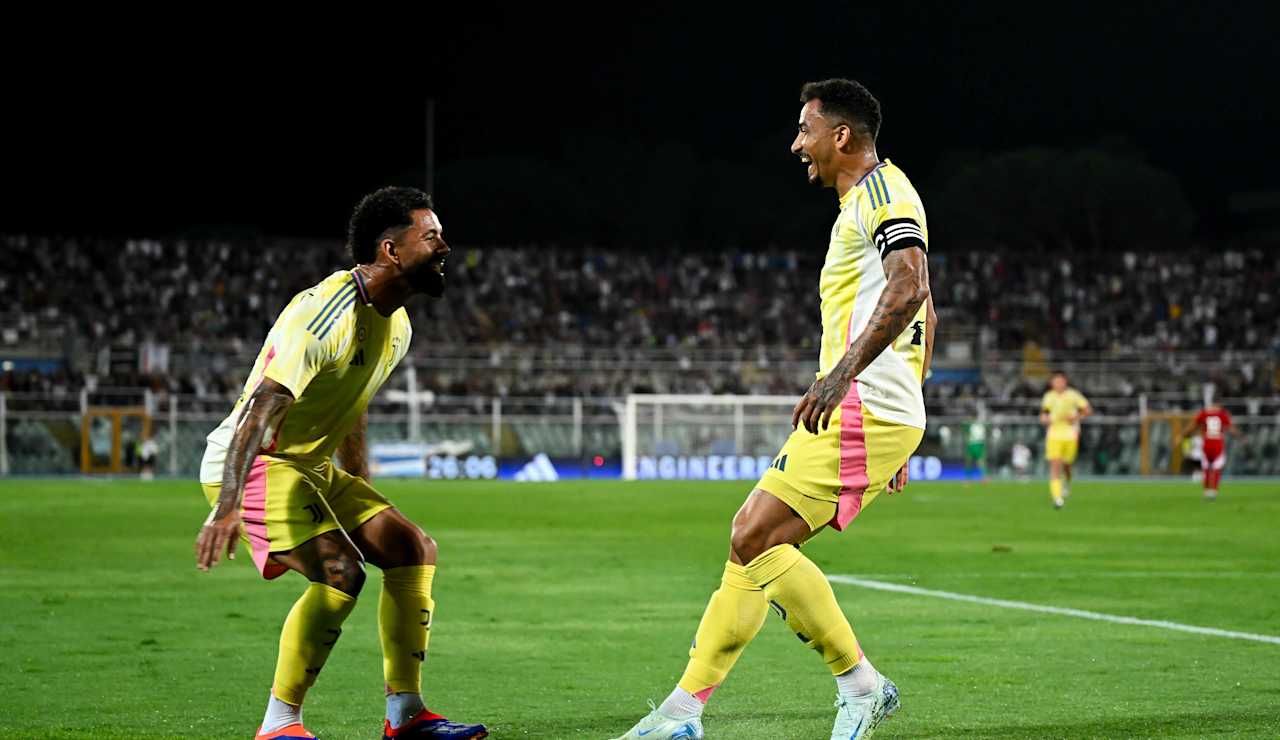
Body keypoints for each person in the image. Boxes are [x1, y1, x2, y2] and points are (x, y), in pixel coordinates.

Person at [614, 78, 934, 740]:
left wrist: (842, 376)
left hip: (863, 405)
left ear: (840, 135)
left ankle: (860, 684)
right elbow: (929, 309)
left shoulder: (883, 193)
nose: (797, 144)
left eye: (805, 130)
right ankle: (683, 712)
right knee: (750, 548)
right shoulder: (867, 201)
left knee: (753, 537)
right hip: (878, 411)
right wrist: (909, 426)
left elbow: (913, 288)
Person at [193, 187, 487, 740]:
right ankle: (279, 725)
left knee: (410, 546)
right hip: (257, 460)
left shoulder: (397, 325)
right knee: (341, 573)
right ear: (391, 250)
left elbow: (351, 405)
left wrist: (362, 491)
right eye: (432, 236)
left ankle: (406, 717)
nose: (445, 246)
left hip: (311, 466)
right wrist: (225, 509)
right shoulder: (322, 314)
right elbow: (261, 409)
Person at [1039, 371, 1091, 509]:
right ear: (1052, 383)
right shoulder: (1049, 396)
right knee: (1055, 465)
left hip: (1070, 435)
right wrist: (1044, 419)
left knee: (1067, 465)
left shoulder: (1073, 395)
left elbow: (1087, 410)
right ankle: (1057, 498)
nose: (1058, 383)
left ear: (1065, 382)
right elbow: (1044, 413)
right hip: (1054, 435)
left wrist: (1076, 417)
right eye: (1055, 381)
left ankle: (1067, 483)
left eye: (1060, 381)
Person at [1183, 402, 1239, 500]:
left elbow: (1193, 426)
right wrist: (1239, 436)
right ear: (1219, 405)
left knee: (1206, 467)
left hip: (1206, 443)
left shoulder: (1203, 413)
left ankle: (1207, 491)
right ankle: (1213, 491)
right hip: (1218, 444)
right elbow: (1231, 429)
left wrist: (1184, 434)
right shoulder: (1222, 414)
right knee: (1217, 467)